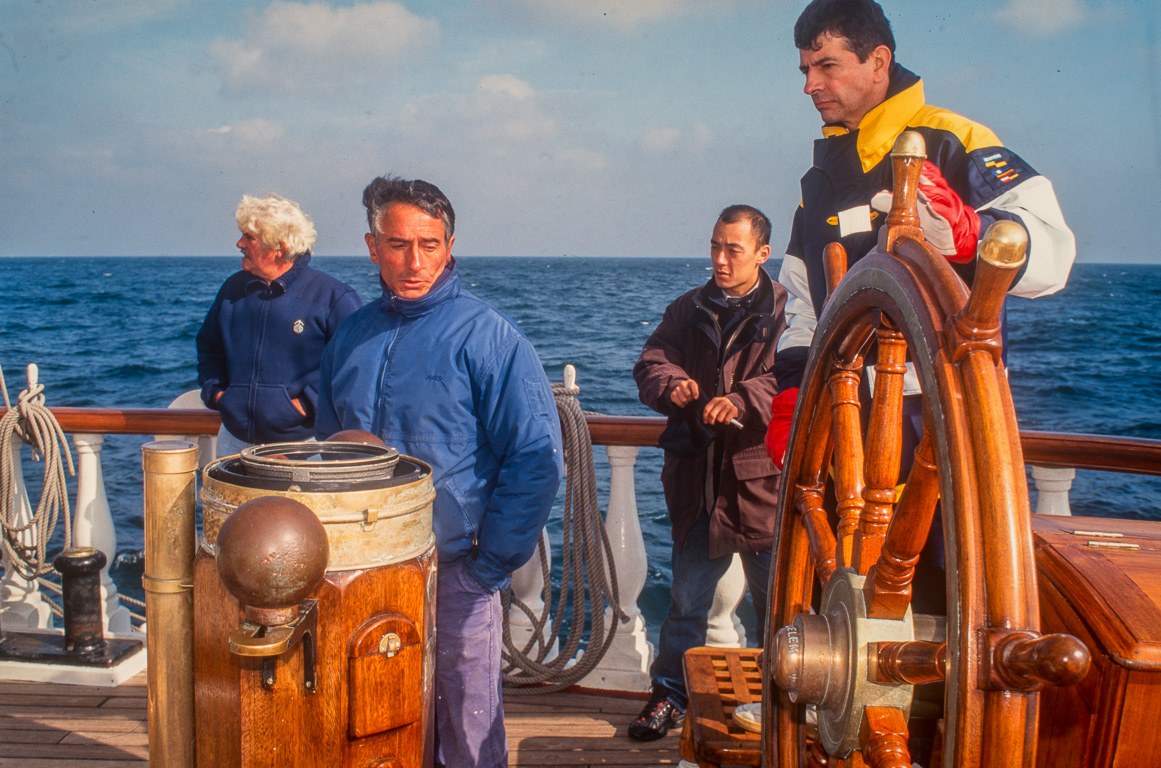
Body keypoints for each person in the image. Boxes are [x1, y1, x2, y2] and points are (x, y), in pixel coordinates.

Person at [314, 176, 564, 768]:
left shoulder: (490, 337)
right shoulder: (349, 336)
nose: (413, 261)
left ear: (450, 246)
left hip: (456, 575)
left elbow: (536, 460)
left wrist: (485, 570)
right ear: (372, 246)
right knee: (378, 725)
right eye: (398, 244)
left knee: (469, 737)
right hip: (365, 578)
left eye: (429, 244)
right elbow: (330, 450)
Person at [765, 0, 1076, 467]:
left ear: (878, 62)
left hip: (943, 429)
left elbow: (1053, 256)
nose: (811, 85)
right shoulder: (819, 182)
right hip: (842, 429)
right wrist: (792, 394)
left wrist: (973, 234)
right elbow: (805, 307)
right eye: (806, 69)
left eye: (827, 65)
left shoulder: (955, 141)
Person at [629, 205, 787, 741]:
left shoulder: (790, 313)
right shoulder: (687, 307)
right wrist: (671, 383)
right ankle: (669, 696)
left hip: (763, 485)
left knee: (781, 611)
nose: (720, 259)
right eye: (715, 246)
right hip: (698, 484)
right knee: (684, 605)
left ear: (763, 254)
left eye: (733, 249)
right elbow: (651, 360)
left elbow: (800, 376)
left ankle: (782, 702)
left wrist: (744, 398)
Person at [196, 193, 361, 457]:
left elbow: (355, 367)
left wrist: (305, 406)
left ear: (279, 247)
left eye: (249, 237)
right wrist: (218, 395)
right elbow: (208, 347)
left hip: (303, 446)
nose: (239, 243)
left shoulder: (333, 296)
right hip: (233, 442)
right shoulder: (232, 289)